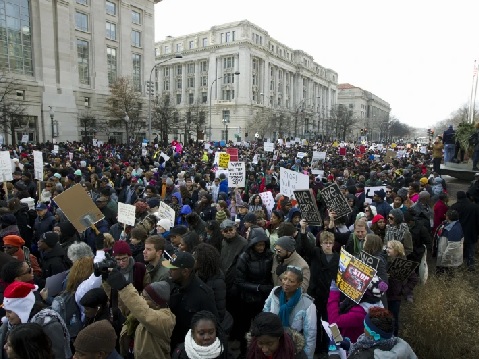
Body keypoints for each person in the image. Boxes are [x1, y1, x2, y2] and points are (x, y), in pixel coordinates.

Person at [105, 270, 176, 359]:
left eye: (145, 298)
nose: (141, 299)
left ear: (157, 304)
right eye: (141, 295)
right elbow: (126, 304)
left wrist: (124, 287)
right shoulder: (138, 312)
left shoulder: (166, 319)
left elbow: (144, 314)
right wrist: (107, 281)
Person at [163, 251, 219, 352]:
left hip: (189, 348)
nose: (169, 271)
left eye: (173, 269)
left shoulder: (203, 294)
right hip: (172, 342)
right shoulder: (171, 284)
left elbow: (212, 324)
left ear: (185, 272)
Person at [0, 281, 72, 359]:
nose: (7, 316)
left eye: (9, 311)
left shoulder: (49, 324)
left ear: (22, 309)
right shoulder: (8, 326)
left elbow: (56, 355)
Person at [263, 266, 316, 359]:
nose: (286, 283)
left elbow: (310, 334)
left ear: (299, 284)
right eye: (284, 279)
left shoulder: (307, 304)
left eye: (291, 281)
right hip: (272, 342)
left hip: (292, 347)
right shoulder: (275, 292)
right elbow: (265, 312)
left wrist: (307, 356)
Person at [235, 226, 274, 354]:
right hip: (248, 299)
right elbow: (239, 281)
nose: (261, 248)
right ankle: (244, 351)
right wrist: (258, 288)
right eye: (258, 245)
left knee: (263, 328)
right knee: (245, 328)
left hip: (264, 298)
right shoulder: (244, 257)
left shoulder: (270, 256)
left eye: (263, 244)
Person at [329, 307, 417, 359]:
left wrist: (333, 353)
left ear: (375, 335)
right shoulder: (400, 344)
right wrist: (350, 346)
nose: (363, 329)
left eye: (365, 327)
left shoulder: (365, 357)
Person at [327, 275, 387, 343]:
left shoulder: (360, 313)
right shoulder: (375, 302)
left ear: (364, 293)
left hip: (349, 345)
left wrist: (334, 291)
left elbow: (334, 322)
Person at [307, 231, 339, 355]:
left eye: (330, 243)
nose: (328, 245)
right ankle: (317, 346)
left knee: (329, 322)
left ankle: (327, 346)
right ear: (320, 244)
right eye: (325, 243)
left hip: (330, 296)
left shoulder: (337, 258)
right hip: (316, 294)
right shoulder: (316, 253)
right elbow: (305, 246)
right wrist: (304, 232)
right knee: (314, 322)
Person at [385, 240, 418, 336]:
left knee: (394, 319)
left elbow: (414, 279)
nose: (387, 250)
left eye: (390, 248)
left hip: (395, 297)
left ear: (397, 250)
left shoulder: (403, 264)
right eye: (387, 247)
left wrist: (403, 291)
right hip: (385, 295)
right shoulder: (385, 261)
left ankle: (395, 338)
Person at [450, 191, 479, 271]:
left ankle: (458, 266)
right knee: (471, 250)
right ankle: (471, 266)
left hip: (458, 233)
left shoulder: (454, 207)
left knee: (458, 250)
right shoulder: (475, 207)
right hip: (471, 232)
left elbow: (450, 221)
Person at [435, 209, 464, 275]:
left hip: (449, 261)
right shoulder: (448, 224)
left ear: (448, 217)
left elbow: (453, 247)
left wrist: (444, 259)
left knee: (448, 276)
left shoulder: (454, 229)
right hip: (444, 256)